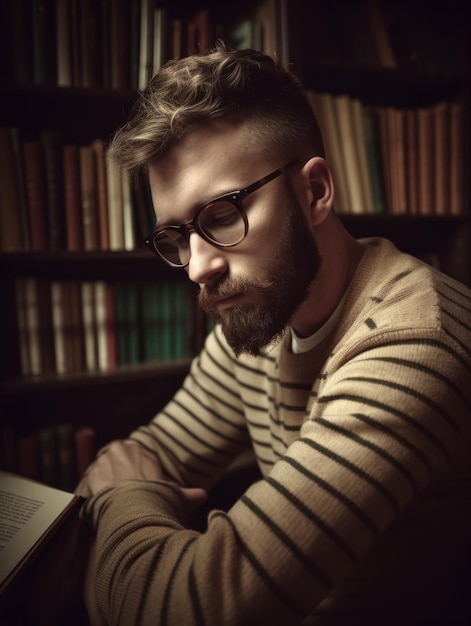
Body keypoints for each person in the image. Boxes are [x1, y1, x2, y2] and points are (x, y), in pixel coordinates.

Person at [76, 43, 471, 626]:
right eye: (178, 236)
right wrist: (131, 503)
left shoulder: (414, 344)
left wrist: (122, 501)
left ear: (314, 192)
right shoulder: (259, 314)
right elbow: (151, 454)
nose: (197, 267)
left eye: (221, 215)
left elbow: (188, 609)